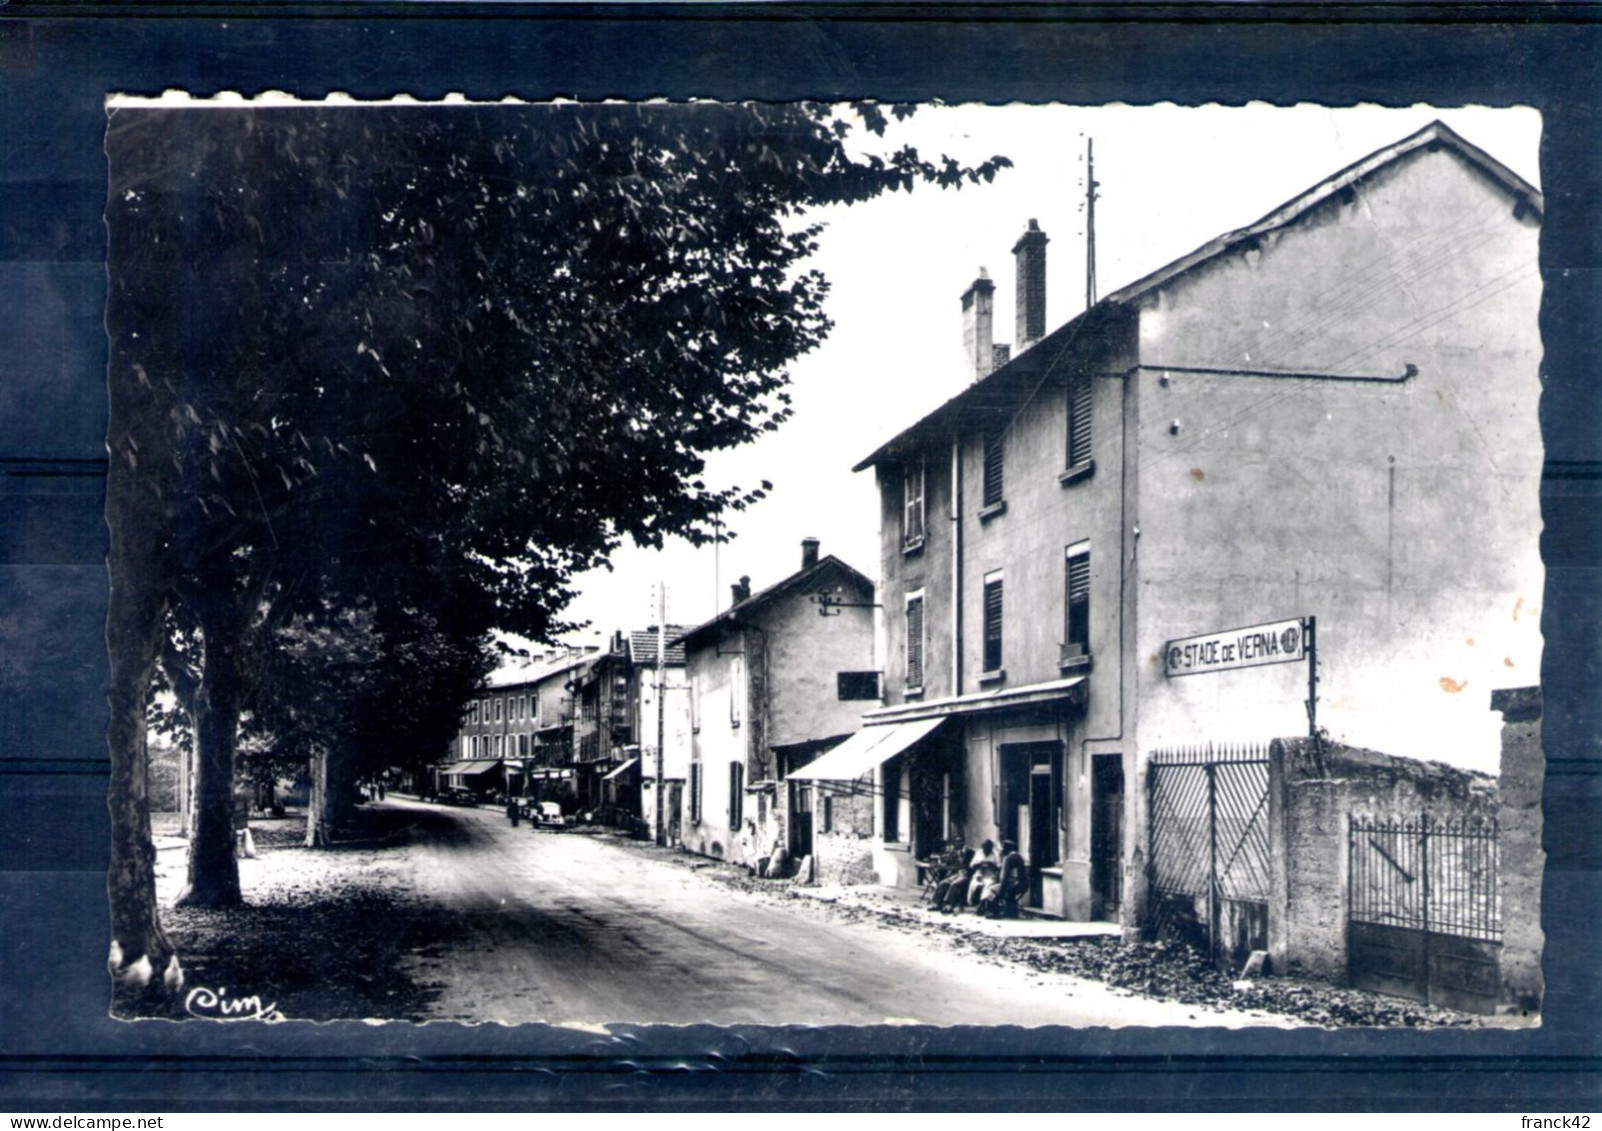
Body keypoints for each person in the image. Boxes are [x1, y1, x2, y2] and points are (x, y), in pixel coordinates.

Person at [981, 840, 1029, 918]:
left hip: (1015, 884)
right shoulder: (1018, 856)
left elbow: (1004, 876)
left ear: (1008, 849)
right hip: (1023, 884)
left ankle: (993, 912)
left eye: (1003, 848)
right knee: (1002, 891)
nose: (1001, 850)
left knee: (991, 890)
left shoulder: (1008, 858)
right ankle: (1011, 912)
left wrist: (1001, 890)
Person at [965, 839, 1001, 909]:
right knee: (974, 885)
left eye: (988, 848)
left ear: (991, 848)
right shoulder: (979, 853)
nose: (986, 850)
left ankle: (982, 904)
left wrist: (991, 864)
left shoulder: (995, 854)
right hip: (979, 875)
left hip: (991, 875)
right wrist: (979, 864)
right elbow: (971, 865)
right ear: (983, 847)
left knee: (987, 886)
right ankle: (972, 902)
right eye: (985, 848)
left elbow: (999, 867)